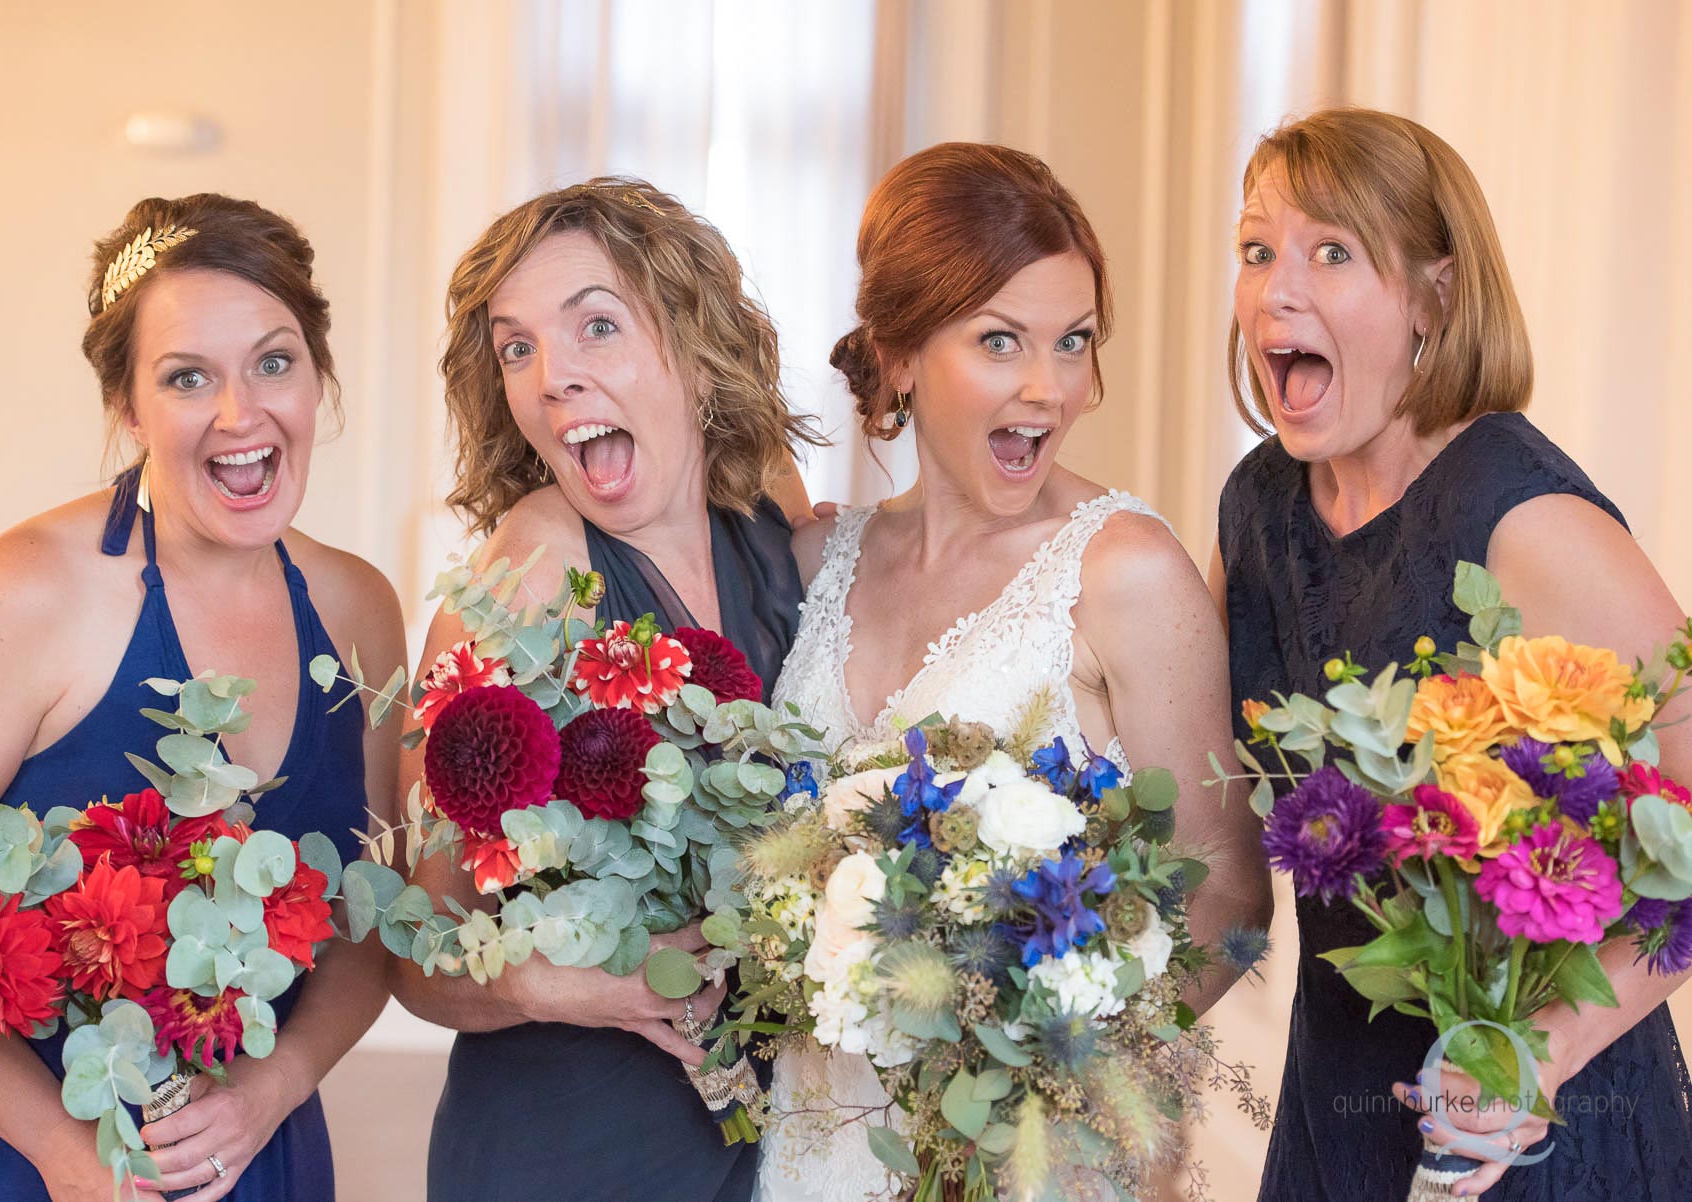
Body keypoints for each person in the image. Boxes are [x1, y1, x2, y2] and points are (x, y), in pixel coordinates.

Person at [759, 141, 1269, 1202]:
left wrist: (1047, 1073)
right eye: (1001, 340)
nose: (1049, 386)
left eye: (1072, 341)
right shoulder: (813, 560)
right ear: (898, 354)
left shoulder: (1124, 572)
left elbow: (1225, 888)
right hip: (808, 1140)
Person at [1215, 107, 1692, 1199]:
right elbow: (1215, 842)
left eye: (1331, 252)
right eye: (1257, 251)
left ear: (1434, 291)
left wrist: (1544, 1048)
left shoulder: (1523, 516)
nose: (1276, 291)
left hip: (1542, 1134)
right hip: (1334, 1121)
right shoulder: (1257, 508)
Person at [0, 195, 402, 1201]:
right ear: (128, 407)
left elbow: (368, 924)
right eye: (185, 377)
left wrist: (275, 1084)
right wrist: (54, 1147)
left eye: (273, 360)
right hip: (27, 1166)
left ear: (317, 376)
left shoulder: (359, 609)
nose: (239, 414)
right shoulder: (23, 592)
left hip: (257, 1159)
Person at [396, 178, 821, 1202]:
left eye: (596, 324)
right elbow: (416, 948)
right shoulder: (525, 579)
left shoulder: (778, 521)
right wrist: (564, 981)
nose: (553, 376)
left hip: (778, 1136)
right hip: (566, 1147)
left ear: (694, 342)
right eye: (518, 347)